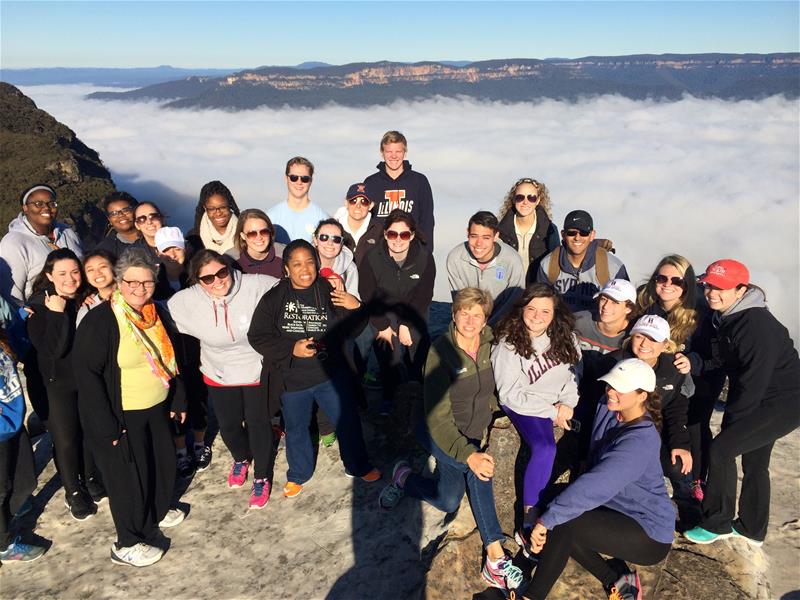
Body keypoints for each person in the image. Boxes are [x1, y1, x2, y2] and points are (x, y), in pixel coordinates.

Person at [378, 288, 525, 594]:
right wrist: (469, 453)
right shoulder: (440, 351)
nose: (470, 320)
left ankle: (405, 479)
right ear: (455, 314)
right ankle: (495, 559)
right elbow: (437, 417)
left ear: (486, 319)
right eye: (464, 312)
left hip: (470, 432)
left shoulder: (490, 345)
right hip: (437, 432)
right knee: (477, 468)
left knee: (448, 500)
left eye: (477, 314)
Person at [73, 248, 186, 568]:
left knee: (159, 464)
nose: (140, 288)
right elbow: (88, 377)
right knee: (126, 478)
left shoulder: (155, 313)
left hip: (155, 406)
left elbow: (171, 358)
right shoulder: (101, 321)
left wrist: (178, 397)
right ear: (119, 281)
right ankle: (127, 541)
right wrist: (106, 424)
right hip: (121, 413)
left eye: (147, 282)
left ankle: (154, 513)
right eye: (132, 282)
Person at [525, 359, 675, 600]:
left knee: (563, 521)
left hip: (649, 533)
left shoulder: (640, 442)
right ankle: (615, 579)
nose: (610, 391)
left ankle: (532, 596)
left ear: (641, 396)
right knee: (554, 500)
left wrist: (546, 521)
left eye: (620, 388)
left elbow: (597, 484)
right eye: (610, 385)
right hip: (617, 509)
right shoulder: (608, 406)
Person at [248, 240, 381, 498]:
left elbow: (354, 330)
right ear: (286, 268)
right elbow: (258, 336)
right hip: (293, 378)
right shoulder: (274, 298)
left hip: (331, 374)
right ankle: (299, 474)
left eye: (310, 262)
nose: (305, 269)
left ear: (318, 264)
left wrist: (357, 308)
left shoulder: (329, 291)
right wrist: (291, 349)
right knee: (297, 428)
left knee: (347, 421)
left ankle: (358, 465)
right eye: (297, 264)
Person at [684, 260, 800, 546]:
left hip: (783, 401)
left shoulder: (754, 325)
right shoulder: (729, 316)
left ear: (740, 290)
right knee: (755, 460)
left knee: (722, 450)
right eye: (709, 285)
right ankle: (752, 527)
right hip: (770, 397)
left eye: (721, 288)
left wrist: (732, 424)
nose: (712, 292)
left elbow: (752, 383)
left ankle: (717, 522)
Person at [167, 250, 278, 508]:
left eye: (222, 272)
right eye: (208, 278)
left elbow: (288, 290)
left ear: (229, 268)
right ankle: (241, 458)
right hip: (218, 370)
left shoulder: (255, 285)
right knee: (228, 426)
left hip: (255, 366)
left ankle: (261, 476)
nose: (218, 281)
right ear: (198, 281)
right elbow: (156, 312)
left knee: (258, 423)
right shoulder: (186, 300)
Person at [490, 283, 581, 551]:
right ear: (522, 309)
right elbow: (509, 395)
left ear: (555, 313)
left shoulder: (567, 338)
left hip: (557, 404)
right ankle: (529, 519)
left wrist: (567, 403)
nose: (537, 316)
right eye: (532, 309)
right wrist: (552, 411)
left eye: (545, 310)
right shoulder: (507, 343)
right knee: (544, 448)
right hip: (524, 406)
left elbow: (575, 375)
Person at [26, 249, 103, 519]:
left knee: (89, 432)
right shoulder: (38, 307)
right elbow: (53, 349)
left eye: (74, 272)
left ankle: (91, 478)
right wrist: (58, 314)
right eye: (62, 274)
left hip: (85, 379)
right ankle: (73, 491)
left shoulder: (84, 299)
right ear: (49, 276)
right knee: (66, 439)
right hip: (55, 384)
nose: (70, 279)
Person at [636, 254, 717, 501]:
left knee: (693, 430)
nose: (668, 284)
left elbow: (717, 357)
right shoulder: (644, 306)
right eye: (662, 278)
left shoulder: (700, 314)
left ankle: (695, 485)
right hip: (657, 385)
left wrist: (693, 362)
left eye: (676, 280)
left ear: (688, 285)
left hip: (698, 385)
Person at [605, 315, 695, 499]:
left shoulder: (673, 369)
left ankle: (686, 506)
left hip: (653, 431)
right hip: (619, 430)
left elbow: (675, 409)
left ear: (665, 345)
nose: (645, 343)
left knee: (678, 464)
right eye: (639, 336)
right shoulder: (613, 362)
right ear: (631, 338)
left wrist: (680, 443)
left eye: (653, 339)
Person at [358, 210, 436, 414]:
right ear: (385, 234)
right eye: (393, 234)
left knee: (417, 349)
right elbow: (367, 294)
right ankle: (390, 396)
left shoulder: (425, 257)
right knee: (387, 351)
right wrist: (383, 326)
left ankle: (418, 395)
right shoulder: (372, 258)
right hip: (383, 311)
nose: (398, 240)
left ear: (412, 235)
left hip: (413, 311)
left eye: (404, 234)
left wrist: (405, 325)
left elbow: (424, 295)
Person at [0, 325, 45, 563]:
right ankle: (4, 545)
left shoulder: (2, 338)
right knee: (1, 490)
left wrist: (22, 317)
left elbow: (22, 344)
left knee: (26, 481)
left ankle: (6, 520)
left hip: (14, 424)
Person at [0, 184, 83, 305]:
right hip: (41, 316)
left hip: (78, 308)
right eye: (38, 204)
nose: (46, 208)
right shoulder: (14, 243)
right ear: (25, 208)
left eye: (51, 204)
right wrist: (22, 318)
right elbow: (11, 294)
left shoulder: (67, 232)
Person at [536, 210, 628, 312]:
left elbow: (625, 307)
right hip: (559, 325)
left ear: (592, 235)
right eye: (571, 233)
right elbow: (540, 305)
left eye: (584, 233)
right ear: (563, 234)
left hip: (598, 326)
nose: (577, 238)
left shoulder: (613, 267)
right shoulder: (548, 265)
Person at [445, 210, 525, 323]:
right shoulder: (455, 258)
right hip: (470, 320)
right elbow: (461, 300)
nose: (479, 243)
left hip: (503, 322)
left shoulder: (512, 260)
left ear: (496, 236)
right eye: (474, 236)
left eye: (486, 237)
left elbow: (513, 301)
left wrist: (489, 326)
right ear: (467, 233)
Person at [363, 131, 435, 250]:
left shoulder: (419, 181)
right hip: (378, 251)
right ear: (382, 153)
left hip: (413, 250)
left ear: (405, 153)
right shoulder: (371, 183)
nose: (394, 156)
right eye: (389, 152)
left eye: (398, 151)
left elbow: (427, 221)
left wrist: (427, 253)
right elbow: (365, 221)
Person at [497, 177, 559, 283]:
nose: (525, 202)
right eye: (520, 197)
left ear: (538, 200)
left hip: (538, 292)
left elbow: (555, 265)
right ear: (513, 199)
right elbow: (498, 267)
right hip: (507, 292)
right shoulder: (499, 232)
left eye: (531, 198)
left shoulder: (550, 230)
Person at [267, 157, 329, 244]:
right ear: (286, 178)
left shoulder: (323, 218)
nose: (299, 182)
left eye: (305, 179)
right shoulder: (270, 217)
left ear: (311, 181)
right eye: (293, 177)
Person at [226, 209, 284, 278]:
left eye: (264, 232)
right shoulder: (229, 260)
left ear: (270, 232)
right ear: (243, 236)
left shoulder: (285, 255)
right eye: (252, 234)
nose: (259, 237)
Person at [333, 183, 381, 264]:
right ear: (346, 203)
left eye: (364, 202)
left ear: (371, 205)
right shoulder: (334, 230)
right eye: (353, 201)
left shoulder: (379, 231)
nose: (358, 206)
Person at [189, 180, 241, 254]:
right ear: (205, 208)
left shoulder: (245, 233)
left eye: (223, 207)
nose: (218, 213)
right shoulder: (193, 240)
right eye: (212, 209)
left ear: (229, 205)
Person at [312, 219, 360, 296]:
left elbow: (353, 300)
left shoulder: (350, 269)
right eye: (324, 237)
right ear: (315, 240)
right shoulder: (304, 264)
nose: (330, 243)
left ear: (341, 243)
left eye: (336, 239)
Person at [94, 192, 142, 256]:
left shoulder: (154, 235)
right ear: (109, 220)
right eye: (114, 213)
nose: (120, 215)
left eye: (125, 210)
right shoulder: (105, 251)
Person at [77, 249, 117, 326]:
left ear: (114, 268)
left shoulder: (134, 295)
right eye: (90, 270)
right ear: (87, 278)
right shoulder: (86, 310)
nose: (97, 273)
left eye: (102, 267)